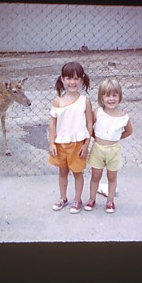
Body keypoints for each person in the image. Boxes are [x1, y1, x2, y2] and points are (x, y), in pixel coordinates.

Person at [48, 61, 93, 214]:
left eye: (76, 78)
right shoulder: (57, 101)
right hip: (61, 144)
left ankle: (78, 200)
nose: (72, 82)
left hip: (78, 144)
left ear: (81, 80)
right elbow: (52, 124)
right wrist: (52, 143)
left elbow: (89, 124)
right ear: (62, 79)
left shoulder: (85, 101)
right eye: (68, 78)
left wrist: (86, 144)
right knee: (62, 172)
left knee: (78, 173)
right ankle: (63, 198)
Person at [85, 78, 133, 213]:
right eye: (107, 95)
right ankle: (91, 199)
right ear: (101, 97)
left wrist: (116, 138)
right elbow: (89, 126)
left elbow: (129, 131)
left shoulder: (124, 117)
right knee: (95, 176)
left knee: (112, 177)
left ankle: (110, 201)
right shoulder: (98, 113)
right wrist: (96, 137)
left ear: (119, 96)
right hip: (98, 149)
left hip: (114, 151)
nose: (111, 99)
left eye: (114, 95)